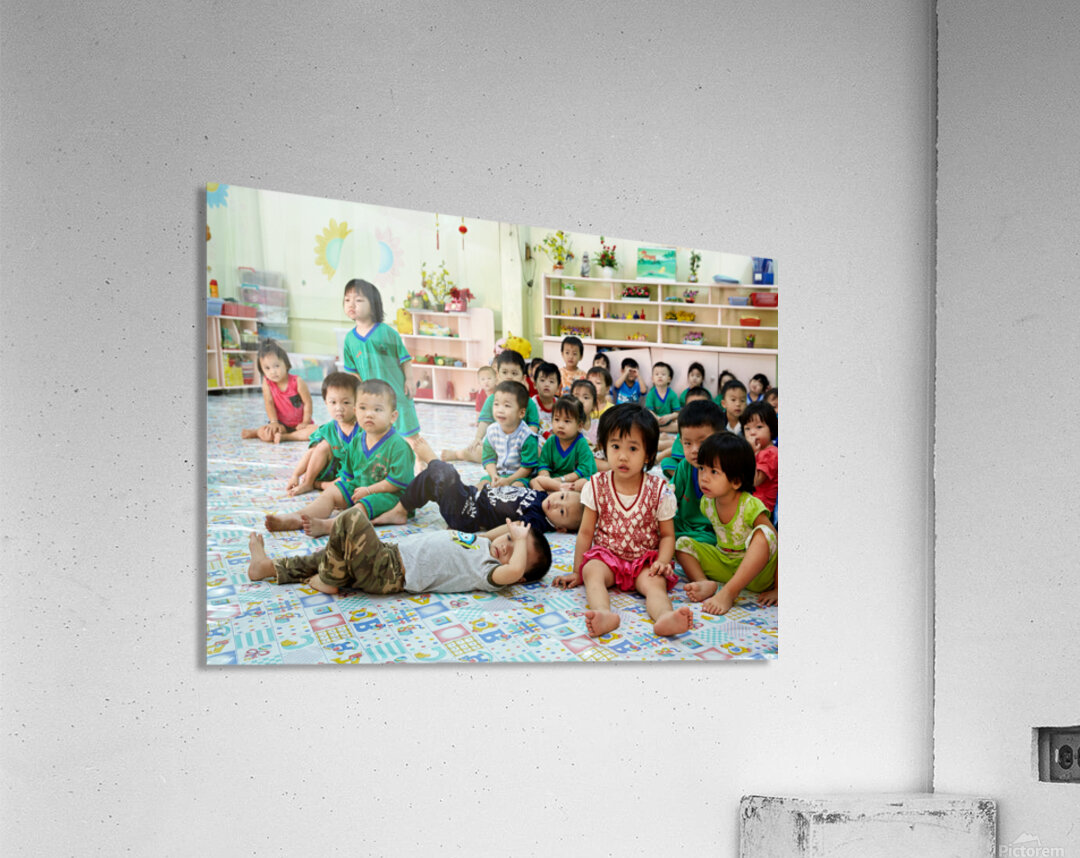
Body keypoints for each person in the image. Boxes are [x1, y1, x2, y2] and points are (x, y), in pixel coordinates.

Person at [553, 404, 692, 638]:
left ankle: (665, 616)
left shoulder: (659, 490)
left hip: (643, 561)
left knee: (655, 585)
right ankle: (603, 613)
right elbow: (586, 533)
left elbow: (668, 535)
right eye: (615, 446)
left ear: (648, 454)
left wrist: (662, 561)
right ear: (604, 448)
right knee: (592, 572)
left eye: (633, 448)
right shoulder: (596, 485)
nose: (623, 456)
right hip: (607, 557)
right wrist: (577, 571)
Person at [247, 510, 552, 596]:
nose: (506, 547)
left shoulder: (490, 571)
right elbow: (497, 535)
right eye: (509, 541)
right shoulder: (484, 544)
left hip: (391, 573)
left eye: (513, 551)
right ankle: (268, 567)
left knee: (350, 519)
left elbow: (513, 570)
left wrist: (522, 544)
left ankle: (328, 579)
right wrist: (515, 532)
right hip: (388, 554)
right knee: (330, 551)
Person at [264, 379, 415, 536]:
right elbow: (348, 476)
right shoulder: (357, 440)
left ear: (393, 416)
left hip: (392, 497)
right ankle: (298, 517)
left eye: (378, 409)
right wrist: (340, 494)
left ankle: (330, 526)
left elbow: (396, 483)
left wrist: (369, 490)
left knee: (364, 504)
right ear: (356, 411)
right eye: (363, 408)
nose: (369, 414)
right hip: (361, 488)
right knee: (332, 492)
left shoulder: (398, 446)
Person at [677, 432, 778, 614]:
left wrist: (779, 588)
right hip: (725, 563)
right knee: (682, 544)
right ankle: (704, 582)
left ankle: (730, 592)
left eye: (714, 472)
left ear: (737, 481)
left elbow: (776, 545)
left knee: (765, 534)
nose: (704, 478)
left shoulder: (750, 505)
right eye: (702, 469)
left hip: (756, 574)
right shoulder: (707, 503)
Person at [378, 458, 583, 535]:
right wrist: (559, 485)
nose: (556, 503)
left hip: (468, 513)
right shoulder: (542, 497)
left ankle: (400, 510)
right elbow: (537, 480)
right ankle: (403, 508)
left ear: (560, 528)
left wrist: (484, 538)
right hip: (471, 496)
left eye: (562, 512)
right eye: (562, 498)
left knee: (444, 471)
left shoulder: (538, 520)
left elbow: (513, 528)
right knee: (435, 478)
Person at [340, 278, 423, 445]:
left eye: (359, 300)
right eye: (347, 300)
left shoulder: (386, 332)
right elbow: (352, 372)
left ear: (373, 305)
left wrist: (410, 380)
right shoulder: (349, 339)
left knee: (409, 434)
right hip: (372, 396)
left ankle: (421, 463)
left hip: (397, 392)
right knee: (377, 433)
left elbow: (405, 359)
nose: (351, 304)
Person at [441, 350, 540, 462]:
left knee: (539, 452)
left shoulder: (528, 402)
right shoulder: (492, 400)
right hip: (497, 445)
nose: (509, 377)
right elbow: (485, 421)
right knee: (480, 452)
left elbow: (533, 426)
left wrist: (526, 443)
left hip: (520, 445)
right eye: (505, 372)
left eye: (514, 373)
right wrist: (478, 438)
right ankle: (458, 454)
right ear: (497, 375)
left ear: (523, 377)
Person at [669, 399, 726, 572]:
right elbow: (670, 497)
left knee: (690, 545)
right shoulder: (684, 467)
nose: (694, 450)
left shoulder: (725, 471)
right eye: (687, 443)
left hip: (710, 533)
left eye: (702, 442)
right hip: (682, 526)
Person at [285, 372, 360, 496]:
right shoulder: (328, 429)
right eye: (333, 402)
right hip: (331, 471)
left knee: (348, 484)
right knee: (322, 446)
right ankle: (309, 482)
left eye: (346, 402)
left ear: (357, 403)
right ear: (326, 402)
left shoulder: (363, 429)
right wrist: (295, 475)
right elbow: (311, 453)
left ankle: (319, 485)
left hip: (353, 473)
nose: (339, 408)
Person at [241, 340, 317, 442]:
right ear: (262, 371)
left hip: (301, 425)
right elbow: (269, 402)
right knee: (267, 434)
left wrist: (305, 422)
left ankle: (286, 437)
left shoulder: (297, 381)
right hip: (281, 425)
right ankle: (257, 432)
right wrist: (274, 422)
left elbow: (307, 402)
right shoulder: (267, 383)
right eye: (267, 368)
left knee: (316, 432)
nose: (273, 371)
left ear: (285, 364)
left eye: (276, 366)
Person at [480, 380, 539, 489]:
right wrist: (494, 476)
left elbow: (527, 468)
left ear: (521, 413)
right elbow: (488, 459)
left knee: (517, 488)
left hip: (520, 476)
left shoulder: (527, 436)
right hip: (498, 473)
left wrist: (509, 480)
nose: (500, 410)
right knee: (482, 484)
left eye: (507, 406)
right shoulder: (491, 431)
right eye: (496, 404)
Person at [530, 397, 597, 491]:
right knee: (534, 481)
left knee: (585, 483)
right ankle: (544, 496)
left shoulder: (581, 443)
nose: (560, 425)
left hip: (573, 482)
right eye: (557, 419)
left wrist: (563, 479)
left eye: (567, 421)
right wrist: (547, 478)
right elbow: (543, 465)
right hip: (555, 481)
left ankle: (559, 495)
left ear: (579, 426)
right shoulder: (551, 441)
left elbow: (584, 470)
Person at [660, 386, 714, 478]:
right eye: (691, 406)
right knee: (667, 462)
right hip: (688, 464)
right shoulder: (685, 429)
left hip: (708, 466)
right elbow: (680, 455)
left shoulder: (712, 427)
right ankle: (684, 478)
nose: (696, 411)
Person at [740, 401, 778, 514]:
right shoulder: (756, 451)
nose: (752, 433)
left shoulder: (771, 453)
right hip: (751, 502)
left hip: (762, 508)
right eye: (747, 429)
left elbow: (756, 481)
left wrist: (753, 453)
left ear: (771, 430)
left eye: (759, 427)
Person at [644, 361, 680, 434]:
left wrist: (669, 417)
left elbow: (677, 413)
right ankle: (661, 429)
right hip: (655, 422)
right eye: (657, 374)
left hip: (669, 422)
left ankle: (661, 429)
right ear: (653, 379)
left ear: (669, 379)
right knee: (643, 422)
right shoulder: (651, 394)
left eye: (663, 374)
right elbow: (649, 411)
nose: (660, 376)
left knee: (680, 425)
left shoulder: (672, 395)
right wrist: (657, 418)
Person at [531, 361, 562, 440]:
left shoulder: (561, 405)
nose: (547, 384)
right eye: (542, 380)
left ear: (558, 387)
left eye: (551, 381)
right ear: (534, 384)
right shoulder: (531, 404)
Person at [570, 378, 599, 445]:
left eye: (586, 397)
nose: (580, 401)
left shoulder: (599, 426)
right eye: (576, 397)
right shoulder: (567, 425)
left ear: (594, 405)